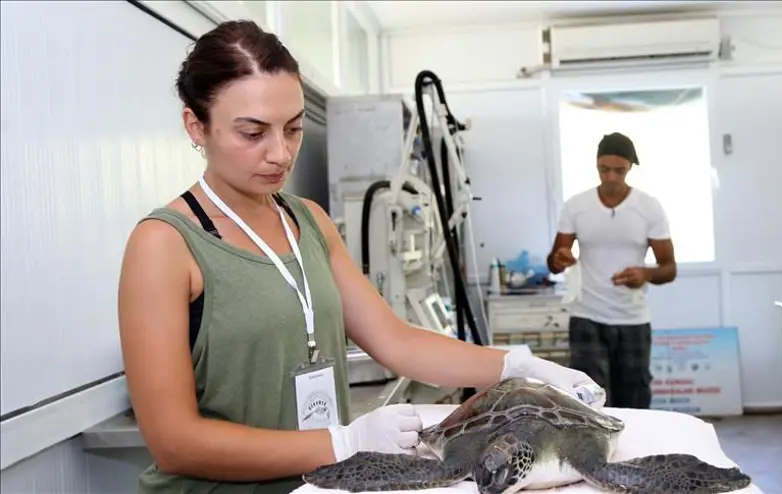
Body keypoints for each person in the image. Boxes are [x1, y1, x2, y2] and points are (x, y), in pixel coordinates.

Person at [117, 20, 602, 494]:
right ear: (196, 125)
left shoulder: (308, 222)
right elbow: (174, 442)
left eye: (293, 128)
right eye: (252, 133)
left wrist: (517, 365)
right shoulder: (165, 244)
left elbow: (397, 342)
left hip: (325, 485)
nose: (280, 154)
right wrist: (341, 441)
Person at [546, 132, 677, 410]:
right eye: (604, 170)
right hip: (587, 315)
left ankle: (637, 452)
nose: (611, 178)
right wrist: (562, 258)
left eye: (619, 170)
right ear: (597, 167)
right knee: (589, 399)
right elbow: (555, 259)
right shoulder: (577, 206)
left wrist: (645, 274)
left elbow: (669, 268)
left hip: (632, 318)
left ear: (630, 168)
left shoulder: (648, 207)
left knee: (635, 398)